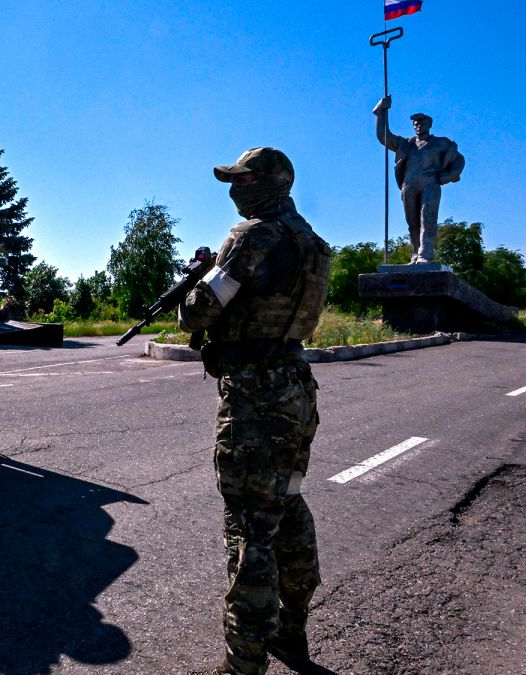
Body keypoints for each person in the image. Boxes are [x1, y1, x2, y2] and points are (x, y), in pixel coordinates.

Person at [181, 147, 332, 675]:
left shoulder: (252, 235)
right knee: (288, 503)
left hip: (255, 395)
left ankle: (243, 663)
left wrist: (193, 289)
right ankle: (292, 633)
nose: (232, 190)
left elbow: (199, 313)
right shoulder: (311, 240)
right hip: (296, 386)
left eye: (241, 180)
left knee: (250, 524)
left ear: (270, 182)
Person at [373, 95, 465, 263]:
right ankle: (416, 253)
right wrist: (381, 112)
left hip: (430, 184)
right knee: (413, 222)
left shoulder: (441, 143)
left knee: (427, 218)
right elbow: (383, 136)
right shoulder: (405, 144)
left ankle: (425, 254)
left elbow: (459, 160)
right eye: (415, 123)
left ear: (429, 125)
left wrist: (447, 176)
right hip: (409, 186)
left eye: (421, 123)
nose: (418, 126)